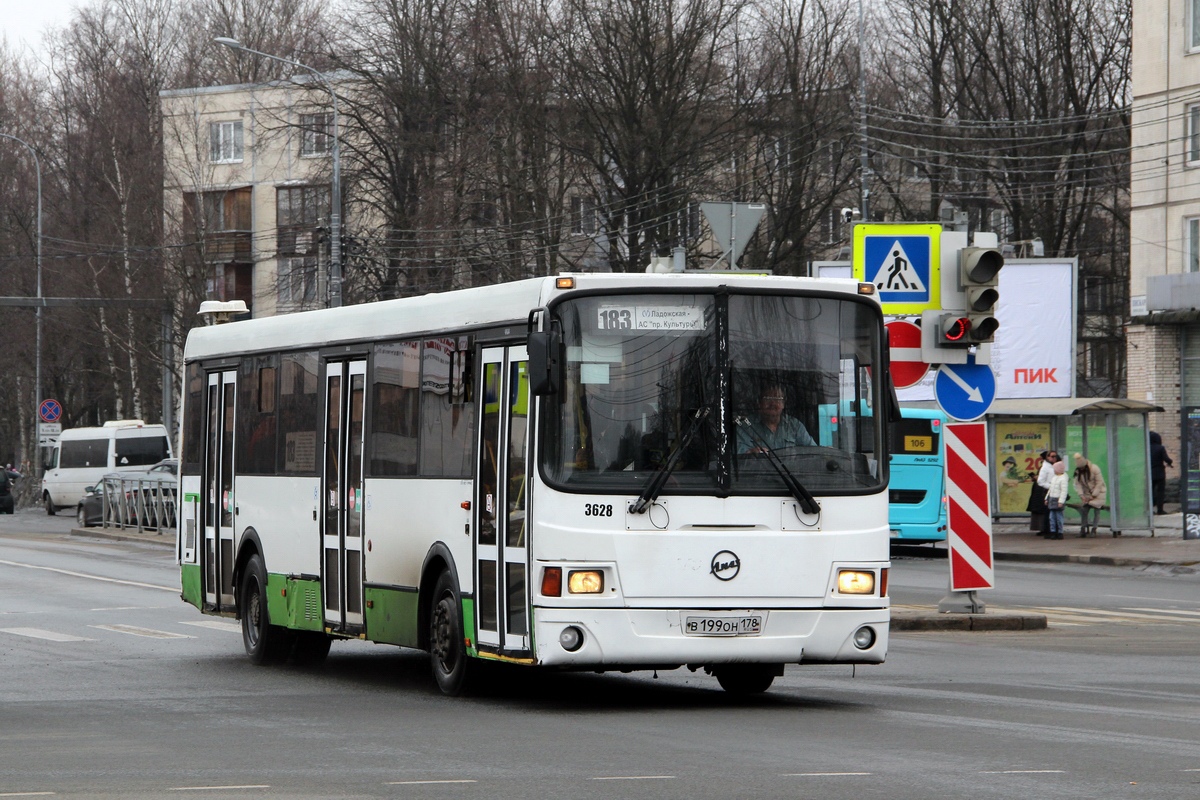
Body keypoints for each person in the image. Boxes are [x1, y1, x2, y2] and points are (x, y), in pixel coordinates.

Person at [738, 385, 815, 454]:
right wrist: (751, 453)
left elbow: (813, 451)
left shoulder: (795, 426)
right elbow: (738, 456)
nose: (772, 403)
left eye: (777, 399)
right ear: (760, 403)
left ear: (783, 404)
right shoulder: (746, 426)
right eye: (768, 398)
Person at [1072, 453, 1108, 537]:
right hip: (1087, 494)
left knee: (1097, 509)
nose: (1081, 469)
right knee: (1084, 509)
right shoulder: (1078, 471)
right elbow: (1078, 484)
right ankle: (1083, 529)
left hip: (1099, 494)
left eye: (1082, 468)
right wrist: (1081, 495)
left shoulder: (1095, 468)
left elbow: (1099, 483)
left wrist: (1094, 495)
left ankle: (1094, 529)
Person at [1028, 450, 1058, 536]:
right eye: (1052, 456)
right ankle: (1046, 529)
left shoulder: (1050, 466)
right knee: (1044, 511)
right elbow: (1042, 480)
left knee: (1046, 511)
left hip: (1043, 491)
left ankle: (1047, 529)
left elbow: (1042, 480)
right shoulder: (1046, 467)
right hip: (1042, 491)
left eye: (1054, 456)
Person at [1149, 431, 1174, 515]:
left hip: (1150, 473)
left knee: (1150, 492)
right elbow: (1166, 459)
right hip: (1159, 473)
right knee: (1160, 492)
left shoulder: (1146, 448)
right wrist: (1170, 462)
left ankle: (1150, 509)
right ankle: (1160, 509)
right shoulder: (1160, 448)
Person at [1045, 459, 1069, 539]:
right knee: (1051, 517)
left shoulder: (1063, 479)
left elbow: (1064, 491)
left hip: (1058, 500)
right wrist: (1046, 498)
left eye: (1055, 469)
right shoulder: (1054, 477)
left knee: (1059, 517)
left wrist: (1061, 501)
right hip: (1052, 499)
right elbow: (1050, 489)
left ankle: (1060, 532)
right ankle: (1053, 531)